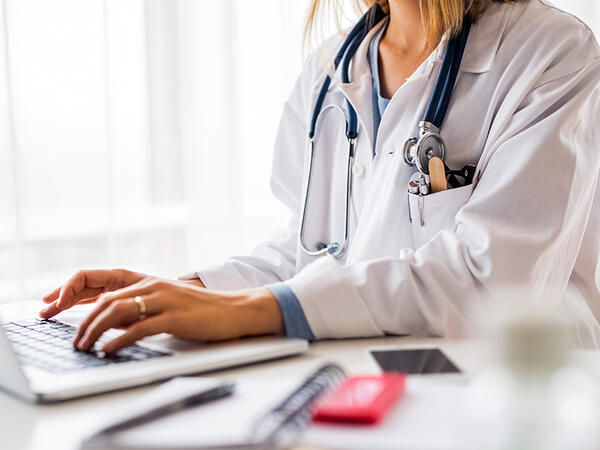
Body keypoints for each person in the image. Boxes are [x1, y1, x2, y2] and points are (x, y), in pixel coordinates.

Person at [40, 0, 600, 352]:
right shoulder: (335, 66)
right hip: (364, 381)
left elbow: (492, 284)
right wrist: (184, 291)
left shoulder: (551, 54)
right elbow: (313, 249)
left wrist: (254, 312)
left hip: (514, 396)